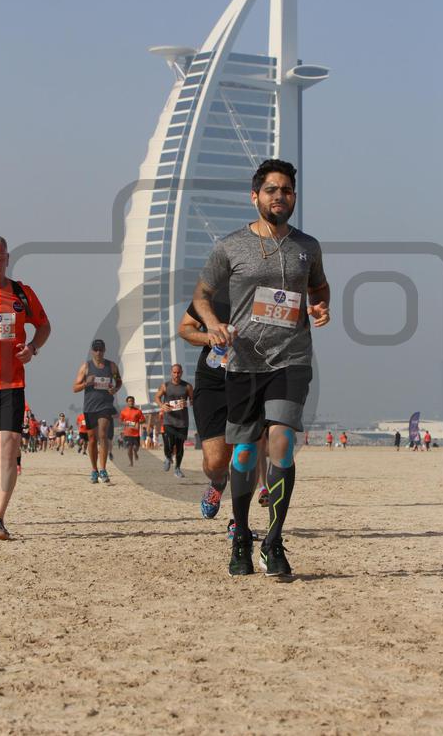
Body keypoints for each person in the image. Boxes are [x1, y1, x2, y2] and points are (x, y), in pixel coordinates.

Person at [193, 158, 330, 577]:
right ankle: (240, 537)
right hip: (244, 363)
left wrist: (321, 306)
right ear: (255, 197)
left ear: (294, 197)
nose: (279, 196)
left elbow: (319, 287)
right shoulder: (230, 246)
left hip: (292, 358)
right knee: (246, 450)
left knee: (282, 442)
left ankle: (273, 541)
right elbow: (201, 296)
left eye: (286, 190)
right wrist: (213, 325)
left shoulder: (308, 247)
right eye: (271, 190)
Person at [0, 234, 51, 539]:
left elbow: (44, 326)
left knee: (8, 450)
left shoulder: (21, 294)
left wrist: (32, 348)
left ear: (7, 260)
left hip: (10, 385)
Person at [178, 297, 269, 520]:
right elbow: (185, 328)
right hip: (213, 382)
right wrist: (209, 337)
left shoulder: (264, 295)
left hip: (250, 380)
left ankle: (239, 522)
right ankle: (218, 482)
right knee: (215, 462)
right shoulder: (212, 295)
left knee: (245, 452)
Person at [73, 339, 122, 483]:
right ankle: (94, 470)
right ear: (92, 351)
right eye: (96, 349)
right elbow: (75, 388)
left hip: (105, 406)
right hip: (90, 407)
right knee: (92, 439)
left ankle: (103, 469)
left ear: (104, 350)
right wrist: (86, 383)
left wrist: (115, 389)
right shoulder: (86, 367)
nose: (98, 352)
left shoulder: (111, 366)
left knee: (103, 435)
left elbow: (118, 381)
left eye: (101, 349)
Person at [154, 365, 193, 479]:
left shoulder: (187, 386)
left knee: (180, 446)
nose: (176, 375)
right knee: (169, 443)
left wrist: (187, 403)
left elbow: (193, 400)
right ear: (171, 373)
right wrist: (162, 405)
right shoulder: (165, 386)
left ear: (182, 372)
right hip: (169, 420)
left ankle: (177, 469)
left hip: (182, 422)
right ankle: (168, 457)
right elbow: (157, 397)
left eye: (178, 373)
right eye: (174, 372)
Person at [120, 396, 145, 467]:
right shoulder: (123, 411)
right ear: (127, 402)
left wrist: (138, 423)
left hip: (136, 433)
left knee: (136, 448)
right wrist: (126, 423)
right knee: (129, 448)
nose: (131, 402)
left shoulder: (138, 411)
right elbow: (121, 421)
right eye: (129, 401)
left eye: (132, 401)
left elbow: (143, 420)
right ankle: (131, 462)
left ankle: (135, 452)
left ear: (134, 402)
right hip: (127, 433)